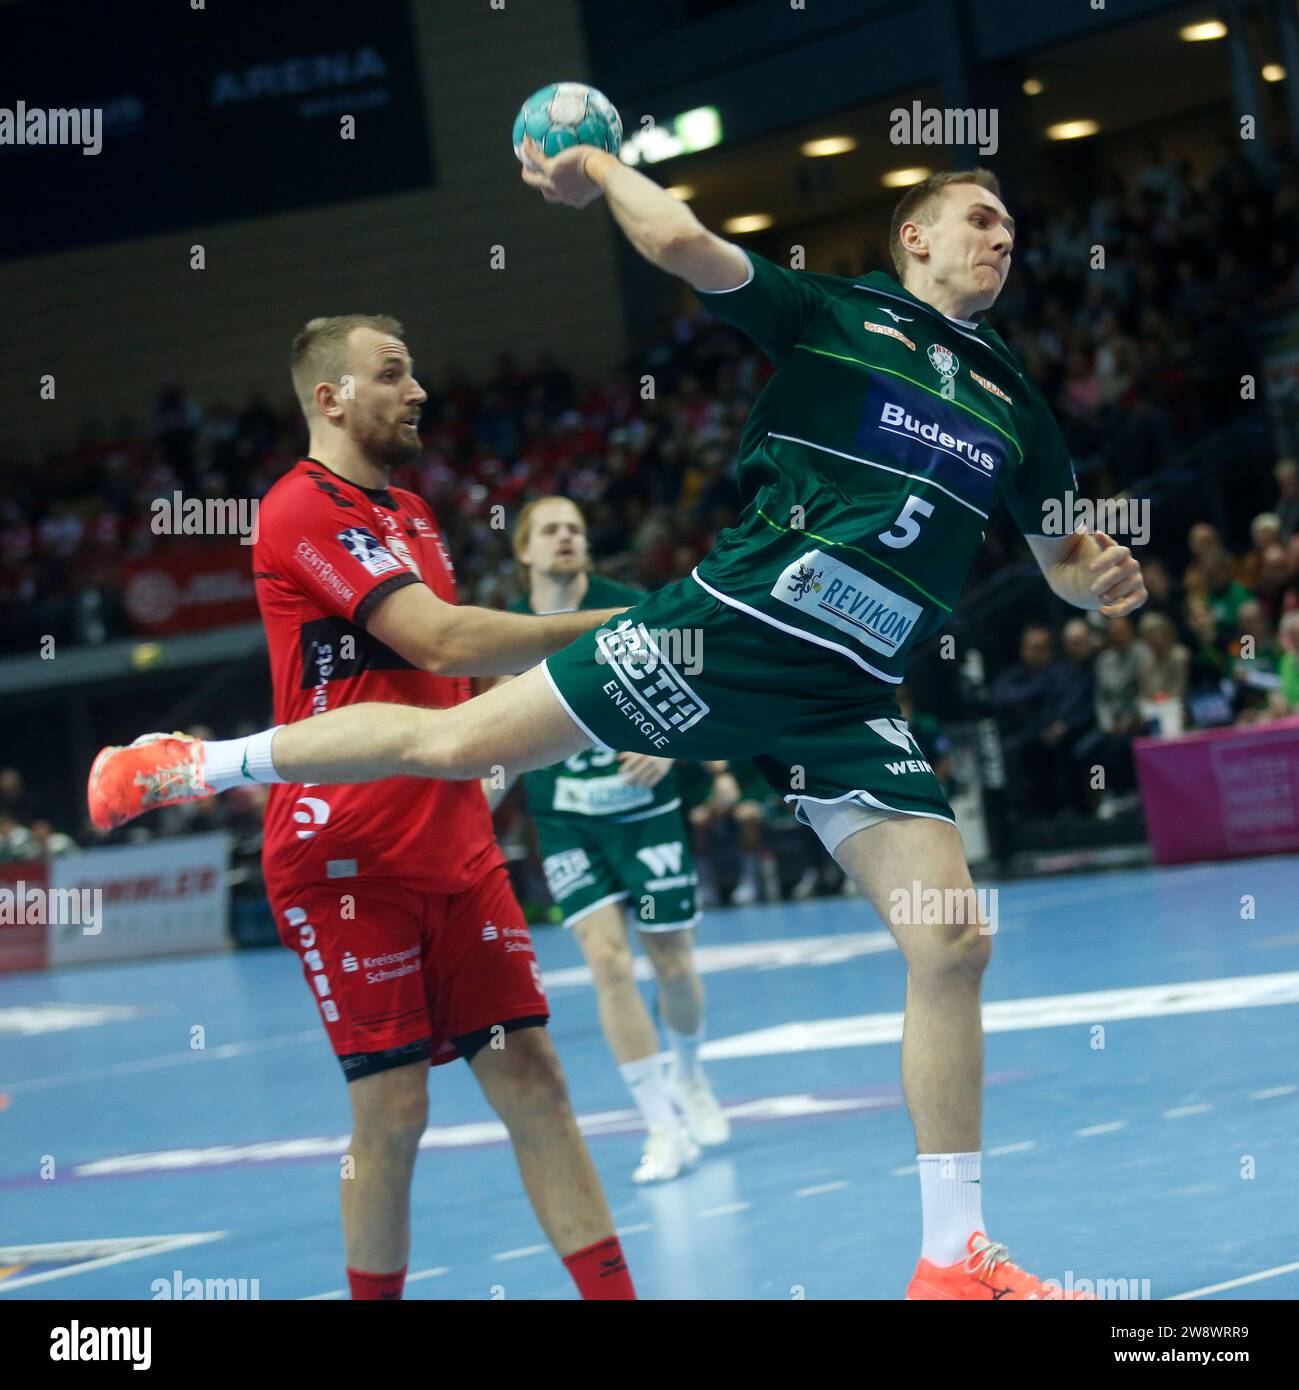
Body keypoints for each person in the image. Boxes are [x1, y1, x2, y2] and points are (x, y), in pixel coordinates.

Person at [91, 161, 1148, 1299]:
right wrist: (600, 170)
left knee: (953, 940)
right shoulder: (837, 314)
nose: (1001, 237)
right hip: (734, 624)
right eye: (977, 219)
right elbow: (687, 244)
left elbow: (1062, 557)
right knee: (456, 743)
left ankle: (951, 1262)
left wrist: (1100, 578)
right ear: (915, 241)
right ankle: (193, 762)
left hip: (849, 687)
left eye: (1009, 223)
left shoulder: (1014, 401)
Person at [98, 315, 637, 1301]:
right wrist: (630, 623)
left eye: (416, 370)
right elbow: (439, 640)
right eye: (392, 373)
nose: (419, 388)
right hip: (346, 854)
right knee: (394, 1110)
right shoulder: (300, 509)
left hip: (457, 845)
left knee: (536, 1079)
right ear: (331, 398)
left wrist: (497, 763)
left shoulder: (418, 514)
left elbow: (452, 682)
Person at [485, 495, 730, 1183]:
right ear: (523, 551)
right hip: (564, 819)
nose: (567, 538)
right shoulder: (502, 632)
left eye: (577, 529)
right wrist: (472, 805)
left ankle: (688, 1075)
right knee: (607, 965)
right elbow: (495, 738)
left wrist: (674, 750)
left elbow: (703, 688)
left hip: (642, 810)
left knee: (673, 963)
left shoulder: (631, 606)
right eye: (551, 530)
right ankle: (660, 1125)